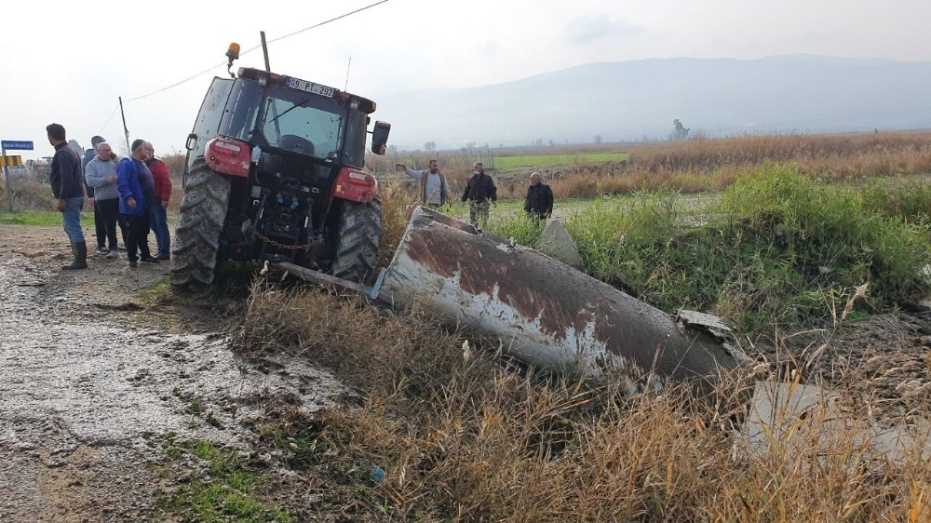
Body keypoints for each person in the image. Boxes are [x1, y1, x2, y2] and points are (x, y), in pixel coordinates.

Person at [46, 123, 87, 270]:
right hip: (76, 195)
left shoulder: (63, 153)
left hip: (70, 197)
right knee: (69, 226)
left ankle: (80, 260)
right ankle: (79, 258)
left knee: (73, 226)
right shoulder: (70, 151)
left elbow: (67, 177)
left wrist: (62, 198)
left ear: (51, 137)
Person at [117, 139, 157, 267]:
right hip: (133, 205)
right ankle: (132, 258)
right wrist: (129, 197)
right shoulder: (127, 163)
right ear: (139, 149)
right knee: (133, 232)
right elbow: (122, 182)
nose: (148, 152)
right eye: (146, 149)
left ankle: (145, 255)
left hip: (145, 204)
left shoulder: (142, 163)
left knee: (144, 231)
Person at [84, 142, 120, 257]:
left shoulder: (114, 162)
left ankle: (124, 246)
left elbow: (123, 172)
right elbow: (90, 181)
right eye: (105, 150)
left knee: (123, 223)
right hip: (102, 199)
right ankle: (108, 247)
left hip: (118, 197)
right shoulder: (91, 165)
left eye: (109, 149)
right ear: (98, 152)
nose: (108, 152)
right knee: (107, 224)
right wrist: (106, 180)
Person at [143, 142, 172, 260]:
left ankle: (164, 252)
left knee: (161, 225)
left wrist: (165, 198)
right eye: (144, 150)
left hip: (157, 200)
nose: (146, 152)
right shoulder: (142, 165)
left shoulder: (158, 165)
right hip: (147, 200)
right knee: (153, 225)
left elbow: (166, 182)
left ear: (152, 151)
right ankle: (161, 249)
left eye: (149, 150)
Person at [83, 136, 108, 252]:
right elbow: (86, 178)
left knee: (107, 219)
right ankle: (101, 244)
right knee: (100, 219)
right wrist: (90, 195)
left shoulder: (104, 156)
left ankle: (107, 243)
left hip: (107, 193)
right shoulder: (89, 158)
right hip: (96, 193)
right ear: (96, 146)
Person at [461, 161, 497, 228]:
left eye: (478, 167)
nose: (477, 169)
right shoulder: (471, 179)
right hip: (473, 203)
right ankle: (473, 235)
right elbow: (467, 189)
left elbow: (492, 189)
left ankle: (484, 234)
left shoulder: (487, 178)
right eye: (475, 167)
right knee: (473, 222)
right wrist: (463, 199)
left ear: (481, 168)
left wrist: (494, 199)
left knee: (484, 221)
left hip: (483, 202)